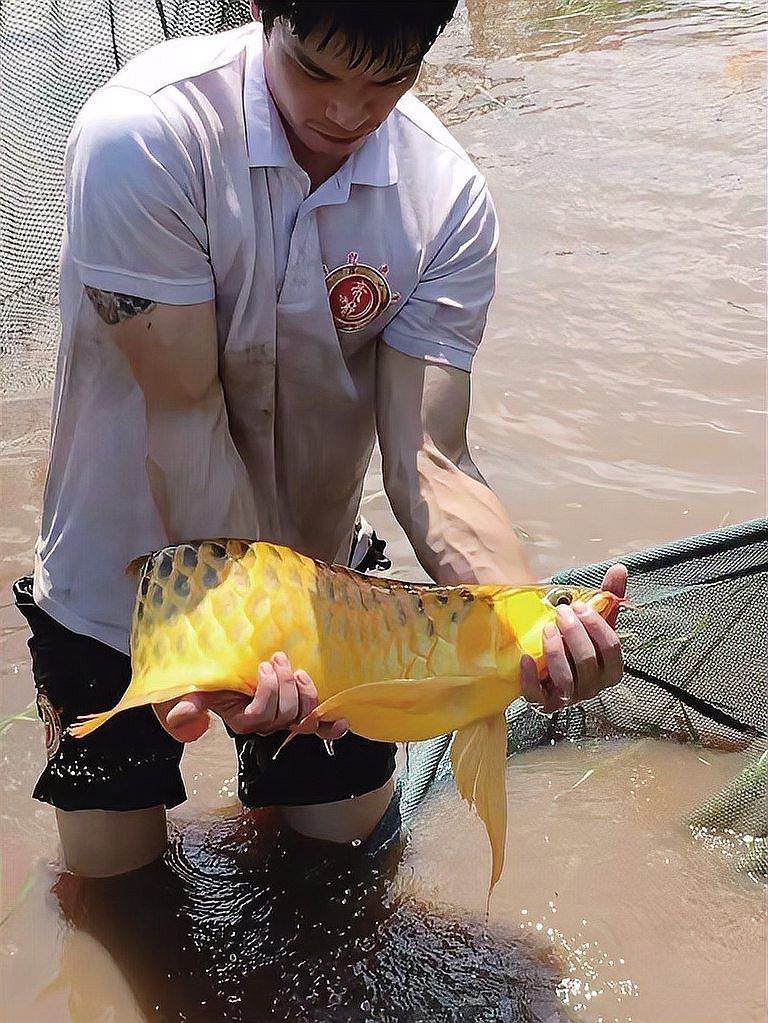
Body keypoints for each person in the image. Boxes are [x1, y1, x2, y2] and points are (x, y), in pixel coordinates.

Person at [15, 1, 627, 879]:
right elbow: (185, 417)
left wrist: (530, 629)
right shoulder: (145, 137)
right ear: (263, 10)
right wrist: (248, 644)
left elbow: (433, 459)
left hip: (331, 611)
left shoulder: (443, 197)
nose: (347, 112)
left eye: (388, 78)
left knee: (353, 876)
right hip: (120, 581)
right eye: (316, 69)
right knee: (114, 891)